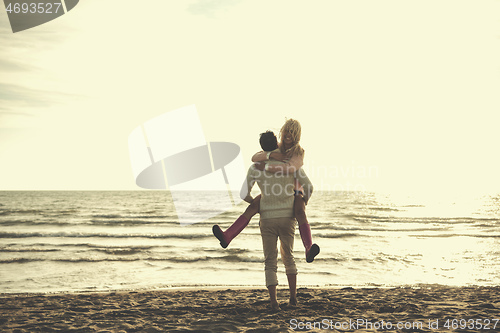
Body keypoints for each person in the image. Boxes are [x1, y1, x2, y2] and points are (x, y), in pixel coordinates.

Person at [213, 119, 319, 263]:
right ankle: (227, 236)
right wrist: (271, 156)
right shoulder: (279, 148)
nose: (288, 135)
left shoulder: (298, 152)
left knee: (300, 212)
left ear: (297, 136)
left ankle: (308, 248)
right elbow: (255, 157)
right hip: (277, 193)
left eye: (292, 133)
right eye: (286, 131)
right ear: (281, 133)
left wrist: (268, 167)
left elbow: (289, 169)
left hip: (295, 191)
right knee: (253, 206)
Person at [240, 131, 314, 311]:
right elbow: (309, 186)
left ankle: (274, 302)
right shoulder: (290, 164)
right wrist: (302, 201)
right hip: (288, 217)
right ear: (277, 143)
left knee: (270, 261)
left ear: (262, 147)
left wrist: (257, 202)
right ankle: (293, 298)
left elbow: (243, 194)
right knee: (289, 257)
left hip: (267, 218)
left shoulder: (256, 167)